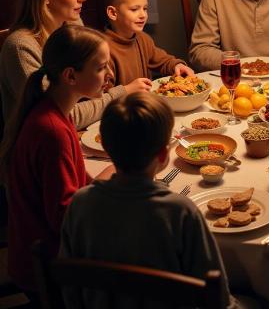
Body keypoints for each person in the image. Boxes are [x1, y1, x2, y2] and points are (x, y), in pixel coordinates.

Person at [60, 92, 237, 309]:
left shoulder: (80, 204)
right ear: (164, 156)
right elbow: (218, 298)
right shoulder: (180, 212)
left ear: (105, 146)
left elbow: (69, 286)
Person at [0, 25, 114, 297]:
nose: (109, 74)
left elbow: (69, 187)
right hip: (50, 270)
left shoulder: (53, 111)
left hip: (45, 253)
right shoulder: (52, 131)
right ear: (71, 76)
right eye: (100, 68)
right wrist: (105, 188)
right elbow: (64, 218)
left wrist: (97, 183)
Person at [0, 0, 148, 130]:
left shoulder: (72, 25)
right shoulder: (20, 47)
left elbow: (91, 90)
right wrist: (121, 93)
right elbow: (61, 116)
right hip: (37, 150)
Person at [104, 0, 194, 88]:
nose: (143, 15)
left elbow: (163, 61)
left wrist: (177, 65)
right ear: (113, 13)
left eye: (145, 8)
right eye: (134, 9)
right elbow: (104, 98)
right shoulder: (103, 51)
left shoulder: (143, 39)